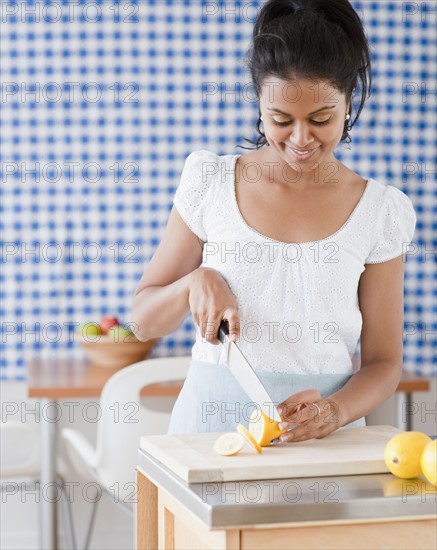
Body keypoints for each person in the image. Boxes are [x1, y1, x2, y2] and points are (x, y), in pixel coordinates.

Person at [132, 0, 417, 443]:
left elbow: (384, 362)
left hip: (323, 443)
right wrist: (194, 282)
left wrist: (334, 410)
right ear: (260, 104)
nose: (301, 140)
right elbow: (143, 321)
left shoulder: (379, 212)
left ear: (348, 104)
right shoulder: (211, 182)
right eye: (281, 120)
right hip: (208, 438)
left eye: (321, 119)